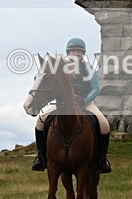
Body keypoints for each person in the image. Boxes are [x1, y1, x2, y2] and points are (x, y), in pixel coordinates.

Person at [30, 37, 112, 174]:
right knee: (40, 121)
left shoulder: (88, 68)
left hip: (86, 103)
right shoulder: (61, 69)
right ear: (68, 52)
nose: (76, 53)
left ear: (83, 53)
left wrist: (84, 101)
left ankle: (102, 159)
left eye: (79, 51)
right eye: (73, 51)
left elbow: (96, 89)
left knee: (104, 125)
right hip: (64, 104)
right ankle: (41, 157)